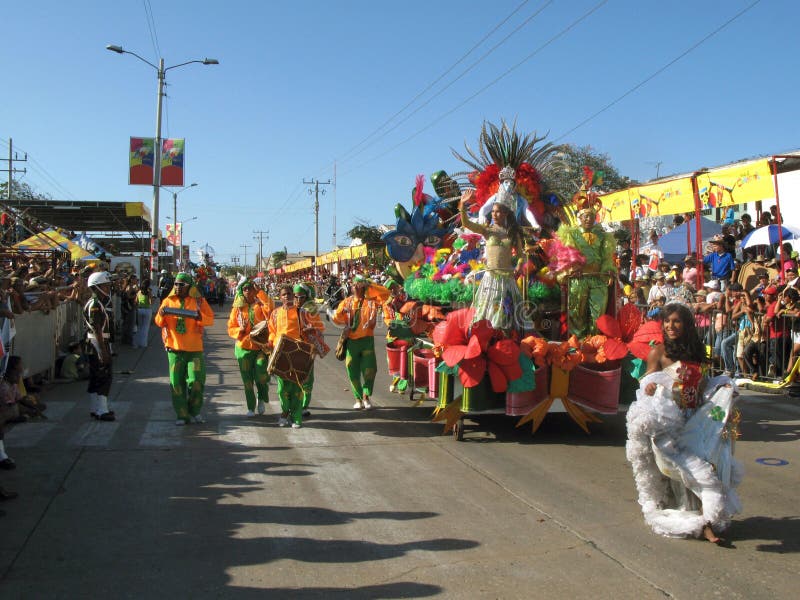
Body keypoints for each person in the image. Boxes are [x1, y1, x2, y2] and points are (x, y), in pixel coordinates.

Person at [626, 303, 743, 543]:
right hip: (669, 419)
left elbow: (705, 384)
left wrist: (723, 392)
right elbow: (646, 381)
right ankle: (696, 518)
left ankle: (704, 519)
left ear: (687, 325)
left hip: (695, 417)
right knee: (682, 468)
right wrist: (649, 385)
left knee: (704, 464)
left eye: (676, 321)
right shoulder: (658, 352)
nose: (670, 326)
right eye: (667, 321)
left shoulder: (696, 351)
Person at [459, 180, 533, 333]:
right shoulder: (487, 230)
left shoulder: (513, 233)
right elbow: (466, 223)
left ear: (505, 213)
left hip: (507, 279)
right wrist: (463, 206)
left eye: (498, 211)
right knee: (487, 311)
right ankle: (487, 337)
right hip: (490, 278)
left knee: (506, 314)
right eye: (492, 211)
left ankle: (505, 339)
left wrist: (519, 265)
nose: (494, 214)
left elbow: (521, 255)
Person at [154, 273, 215, 425]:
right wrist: (161, 314)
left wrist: (200, 318)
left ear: (190, 286)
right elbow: (159, 322)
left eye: (181, 284)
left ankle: (194, 411)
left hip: (194, 350)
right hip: (174, 349)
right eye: (176, 284)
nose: (177, 287)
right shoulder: (168, 301)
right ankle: (182, 415)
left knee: (196, 381)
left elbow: (210, 319)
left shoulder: (199, 301)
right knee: (176, 384)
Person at [557, 193, 617, 337]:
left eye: (591, 216)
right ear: (580, 218)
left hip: (597, 278)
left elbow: (607, 257)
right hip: (579, 278)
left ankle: (594, 341)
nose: (589, 219)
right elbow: (567, 255)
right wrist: (573, 268)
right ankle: (577, 343)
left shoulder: (604, 236)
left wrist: (608, 270)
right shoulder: (571, 235)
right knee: (577, 313)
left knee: (598, 313)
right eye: (586, 216)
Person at [267, 284, 324, 427]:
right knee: (282, 388)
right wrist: (271, 342)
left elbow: (320, 328)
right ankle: (285, 412)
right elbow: (272, 331)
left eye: (289, 294)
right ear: (280, 297)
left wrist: (311, 330)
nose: (287, 296)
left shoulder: (303, 312)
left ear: (293, 296)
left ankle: (296, 416)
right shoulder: (275, 313)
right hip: (280, 353)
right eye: (284, 294)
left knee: (297, 387)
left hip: (298, 353)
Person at [332, 275, 379, 409]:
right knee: (352, 370)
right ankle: (358, 399)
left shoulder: (370, 302)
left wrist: (371, 321)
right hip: (352, 342)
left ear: (364, 287)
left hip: (367, 341)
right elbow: (336, 319)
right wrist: (342, 312)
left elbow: (374, 318)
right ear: (351, 287)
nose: (356, 287)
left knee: (370, 370)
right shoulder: (346, 302)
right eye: (354, 285)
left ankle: (366, 396)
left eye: (359, 285)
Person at [227, 278, 270, 417]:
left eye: (250, 288)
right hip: (243, 347)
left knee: (261, 375)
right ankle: (251, 407)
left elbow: (271, 310)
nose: (247, 291)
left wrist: (261, 292)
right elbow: (230, 328)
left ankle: (261, 398)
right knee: (247, 381)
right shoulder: (237, 309)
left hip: (260, 347)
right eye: (245, 289)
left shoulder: (260, 305)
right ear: (241, 291)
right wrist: (241, 329)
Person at [83, 271, 115, 421]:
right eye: (105, 286)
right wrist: (103, 351)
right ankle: (102, 410)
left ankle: (95, 408)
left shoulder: (98, 303)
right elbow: (96, 329)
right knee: (104, 376)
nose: (108, 288)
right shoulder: (95, 304)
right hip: (97, 342)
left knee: (96, 376)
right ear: (96, 287)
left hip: (96, 342)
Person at [132, 278, 153, 348]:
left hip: (140, 310)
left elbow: (135, 302)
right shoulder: (149, 292)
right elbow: (150, 302)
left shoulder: (139, 292)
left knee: (139, 327)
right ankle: (143, 343)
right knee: (145, 327)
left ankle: (137, 343)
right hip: (147, 310)